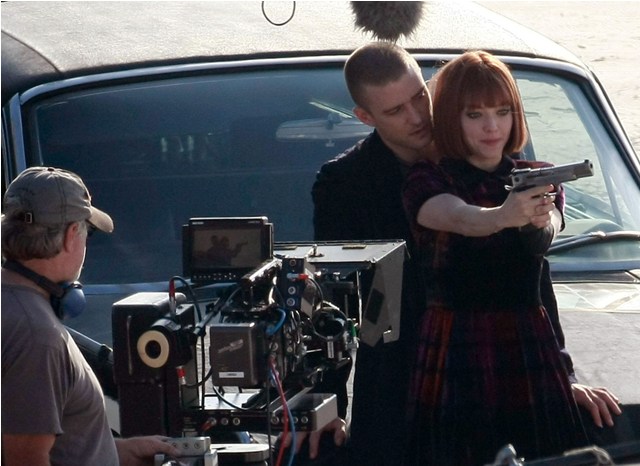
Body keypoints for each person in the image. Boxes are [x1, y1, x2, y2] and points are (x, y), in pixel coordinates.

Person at [312, 43, 621, 466]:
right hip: (397, 369)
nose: (417, 116)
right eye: (396, 110)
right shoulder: (344, 183)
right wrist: (325, 399)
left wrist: (561, 373)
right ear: (365, 117)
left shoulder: (487, 150)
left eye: (420, 96)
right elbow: (332, 297)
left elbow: (532, 271)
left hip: (503, 358)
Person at [402, 50, 599, 465]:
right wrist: (503, 216)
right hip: (456, 349)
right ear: (451, 117)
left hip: (529, 346)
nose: (492, 126)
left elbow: (546, 236)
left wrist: (534, 219)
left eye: (502, 111)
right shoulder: (429, 177)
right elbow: (454, 216)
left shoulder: (540, 174)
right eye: (475, 114)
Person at [1, 167, 180, 466]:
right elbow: (26, 459)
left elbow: (62, 452)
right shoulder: (37, 336)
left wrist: (123, 450)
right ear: (72, 235)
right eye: (88, 233)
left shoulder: (15, 307)